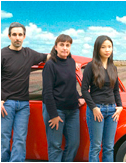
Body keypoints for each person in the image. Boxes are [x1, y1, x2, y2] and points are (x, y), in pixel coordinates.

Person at [1, 22, 50, 162]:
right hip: (6, 104)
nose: (17, 37)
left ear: (24, 36)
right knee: (4, 139)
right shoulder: (2, 54)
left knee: (20, 138)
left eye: (20, 35)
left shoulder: (29, 53)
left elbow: (48, 56)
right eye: (14, 35)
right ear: (9, 36)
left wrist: (69, 60)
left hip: (23, 104)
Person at [42, 34, 85, 162]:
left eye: (67, 45)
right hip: (56, 111)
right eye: (62, 45)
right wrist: (54, 115)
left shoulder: (71, 62)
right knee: (55, 145)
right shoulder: (50, 65)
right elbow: (47, 92)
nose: (65, 48)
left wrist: (79, 97)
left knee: (74, 143)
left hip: (72, 110)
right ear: (56, 47)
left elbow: (71, 85)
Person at [81, 35, 123, 162]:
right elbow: (84, 90)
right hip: (97, 110)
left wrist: (120, 106)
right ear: (97, 49)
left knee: (109, 147)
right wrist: (93, 107)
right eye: (103, 47)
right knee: (95, 146)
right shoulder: (91, 66)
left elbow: (116, 90)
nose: (107, 50)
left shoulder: (113, 68)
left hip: (112, 111)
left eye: (109, 47)